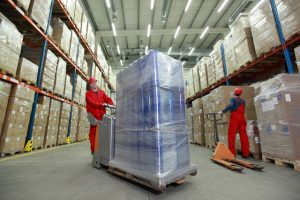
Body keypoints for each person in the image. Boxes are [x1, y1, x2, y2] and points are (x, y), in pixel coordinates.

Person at [85, 77, 114, 154]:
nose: (94, 84)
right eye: (92, 83)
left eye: (95, 82)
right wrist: (102, 104)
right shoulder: (88, 94)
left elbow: (107, 98)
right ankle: (94, 151)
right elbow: (92, 103)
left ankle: (101, 152)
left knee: (102, 134)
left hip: (102, 117)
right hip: (94, 118)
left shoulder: (101, 92)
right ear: (90, 85)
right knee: (93, 135)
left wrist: (111, 104)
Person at [220, 87, 249, 159]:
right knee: (244, 135)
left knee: (231, 135)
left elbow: (231, 105)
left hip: (235, 117)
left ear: (234, 93)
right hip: (242, 117)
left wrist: (223, 111)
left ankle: (232, 154)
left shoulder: (233, 99)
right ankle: (246, 154)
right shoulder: (243, 101)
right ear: (240, 93)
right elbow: (243, 110)